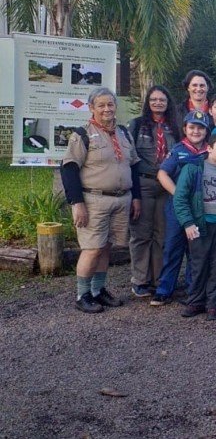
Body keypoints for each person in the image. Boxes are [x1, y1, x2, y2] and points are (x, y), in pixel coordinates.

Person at [60, 87, 142, 313]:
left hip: (121, 199)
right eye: (101, 105)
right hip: (93, 200)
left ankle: (98, 290)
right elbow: (69, 168)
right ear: (92, 108)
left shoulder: (124, 133)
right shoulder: (82, 134)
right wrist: (77, 203)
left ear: (115, 106)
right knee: (92, 248)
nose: (107, 109)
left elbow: (133, 165)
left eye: (110, 104)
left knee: (106, 247)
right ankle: (82, 294)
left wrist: (136, 197)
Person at [173, 127, 216, 321]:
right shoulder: (193, 168)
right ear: (209, 148)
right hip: (200, 225)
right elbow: (180, 198)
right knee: (198, 265)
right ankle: (195, 302)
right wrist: (188, 223)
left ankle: (215, 305)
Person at [150, 111, 210, 307]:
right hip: (178, 208)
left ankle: (193, 290)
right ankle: (164, 289)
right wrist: (179, 195)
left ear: (206, 131)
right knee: (173, 248)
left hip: (201, 209)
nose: (196, 131)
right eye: (192, 127)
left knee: (196, 250)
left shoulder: (210, 152)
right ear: (185, 129)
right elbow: (162, 174)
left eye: (200, 127)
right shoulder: (178, 150)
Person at [128, 85, 181, 297]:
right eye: (154, 99)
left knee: (162, 234)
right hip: (144, 183)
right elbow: (130, 159)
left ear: (168, 103)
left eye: (162, 99)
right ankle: (140, 280)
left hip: (166, 185)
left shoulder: (175, 126)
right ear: (148, 102)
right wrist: (134, 194)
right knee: (141, 233)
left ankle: (159, 278)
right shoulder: (137, 125)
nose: (158, 103)